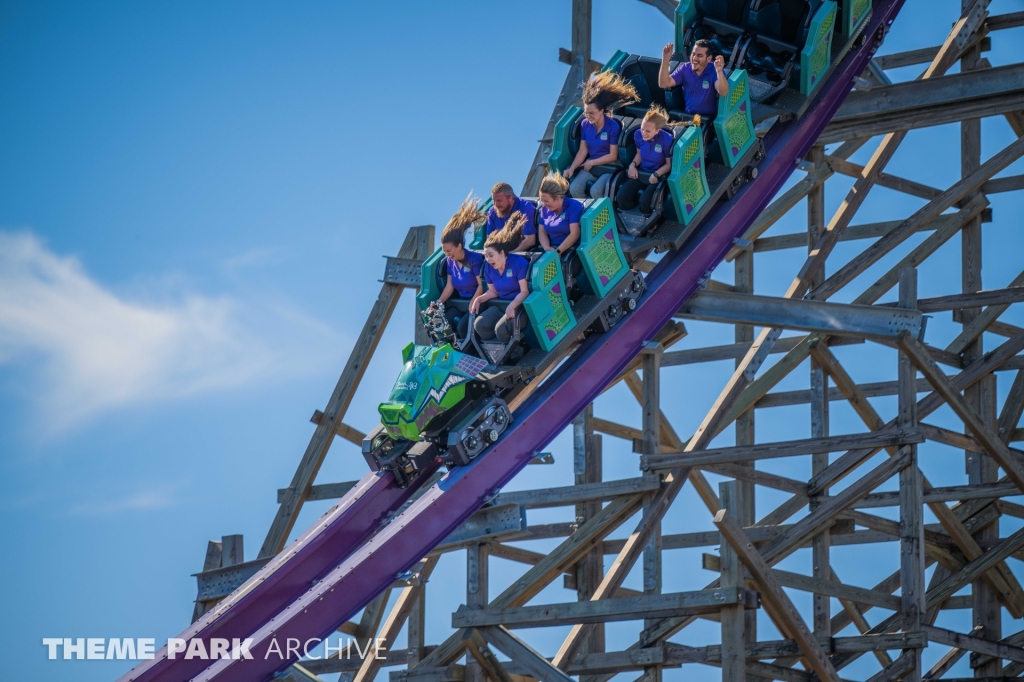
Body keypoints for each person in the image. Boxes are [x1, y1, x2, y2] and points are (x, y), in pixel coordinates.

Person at [564, 71, 638, 199]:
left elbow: (613, 155)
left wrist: (592, 162)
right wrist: (572, 168)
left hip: (610, 166)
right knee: (574, 189)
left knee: (596, 191)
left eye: (592, 113)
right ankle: (586, 215)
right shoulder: (585, 124)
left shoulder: (612, 126)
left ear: (602, 110)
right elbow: (582, 151)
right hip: (592, 166)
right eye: (586, 113)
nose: (588, 116)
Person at [470, 212, 531, 344]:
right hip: (500, 305)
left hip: (518, 306)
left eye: (491, 255)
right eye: (486, 256)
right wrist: (478, 299)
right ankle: (498, 351)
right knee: (480, 325)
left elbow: (524, 291)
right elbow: (494, 291)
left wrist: (512, 306)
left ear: (502, 253)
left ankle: (515, 350)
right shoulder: (488, 267)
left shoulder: (519, 263)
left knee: (501, 329)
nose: (488, 259)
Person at [433, 198, 485, 339]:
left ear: (459, 246)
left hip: (476, 303)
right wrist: (438, 303)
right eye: (445, 251)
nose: (447, 254)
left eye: (449, 250)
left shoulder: (474, 259)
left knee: (463, 327)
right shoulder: (450, 262)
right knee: (443, 325)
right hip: (460, 303)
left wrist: (474, 301)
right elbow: (450, 286)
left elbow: (481, 284)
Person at [616, 104, 675, 215]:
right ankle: (630, 217)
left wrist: (656, 174)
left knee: (645, 201)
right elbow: (639, 153)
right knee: (622, 196)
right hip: (642, 172)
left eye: (648, 131)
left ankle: (649, 220)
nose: (644, 133)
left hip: (658, 175)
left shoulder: (666, 139)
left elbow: (669, 164)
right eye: (642, 129)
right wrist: (632, 165)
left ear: (657, 130)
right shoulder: (638, 135)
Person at [658, 40, 727, 119]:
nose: (694, 58)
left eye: (699, 55)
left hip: (708, 120)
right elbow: (663, 83)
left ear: (708, 58)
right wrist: (665, 59)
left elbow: (723, 92)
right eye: (693, 54)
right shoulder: (685, 68)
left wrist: (719, 71)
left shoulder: (714, 70)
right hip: (688, 117)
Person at [537, 172, 583, 255]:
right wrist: (546, 248)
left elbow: (575, 234)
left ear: (558, 198)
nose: (543, 204)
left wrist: (559, 251)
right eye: (542, 201)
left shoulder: (573, 206)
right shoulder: (544, 208)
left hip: (570, 250)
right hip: (551, 250)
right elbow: (542, 231)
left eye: (546, 201)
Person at [486, 182, 537, 251]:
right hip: (500, 254)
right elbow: (490, 241)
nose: (496, 204)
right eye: (494, 200)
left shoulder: (526, 208)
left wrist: (511, 254)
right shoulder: (492, 212)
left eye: (499, 201)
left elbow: (530, 240)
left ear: (510, 198)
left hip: (521, 252)